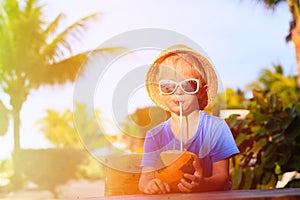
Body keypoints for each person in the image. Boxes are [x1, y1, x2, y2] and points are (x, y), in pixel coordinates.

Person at [138, 44, 239, 194]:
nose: (178, 92)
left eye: (188, 85)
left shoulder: (216, 127)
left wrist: (203, 184)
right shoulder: (155, 136)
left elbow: (223, 177)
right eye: (168, 86)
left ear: (201, 91)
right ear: (160, 92)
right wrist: (149, 185)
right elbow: (145, 179)